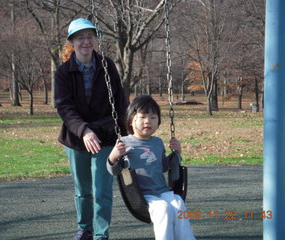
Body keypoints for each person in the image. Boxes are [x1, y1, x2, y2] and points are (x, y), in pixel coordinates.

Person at [55, 17, 128, 240]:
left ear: (95, 40)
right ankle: (84, 229)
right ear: (72, 42)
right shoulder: (64, 72)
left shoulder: (107, 66)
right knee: (83, 190)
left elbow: (120, 100)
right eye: (80, 38)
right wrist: (84, 130)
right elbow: (64, 107)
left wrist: (125, 135)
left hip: (105, 136)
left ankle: (101, 234)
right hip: (77, 138)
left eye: (89, 37)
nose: (85, 42)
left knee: (102, 190)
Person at [107, 95, 196, 240]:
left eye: (153, 117)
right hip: (142, 195)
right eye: (142, 117)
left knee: (179, 205)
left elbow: (162, 167)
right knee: (163, 209)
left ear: (158, 122)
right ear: (131, 121)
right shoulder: (124, 143)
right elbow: (113, 170)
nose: (147, 121)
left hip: (162, 190)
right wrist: (113, 157)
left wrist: (176, 153)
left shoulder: (157, 142)